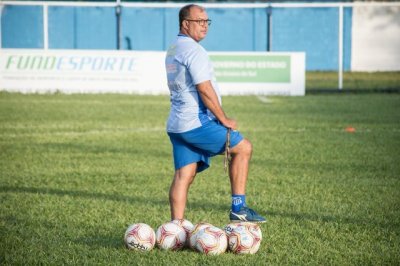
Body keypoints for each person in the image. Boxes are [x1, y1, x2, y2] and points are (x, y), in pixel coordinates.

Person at [165, 4, 266, 223]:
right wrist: (223, 118)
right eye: (199, 21)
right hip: (196, 123)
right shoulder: (194, 50)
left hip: (177, 124)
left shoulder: (174, 47)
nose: (205, 26)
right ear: (185, 23)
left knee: (184, 175)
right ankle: (239, 209)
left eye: (207, 22)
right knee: (243, 149)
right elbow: (204, 88)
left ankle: (176, 228)